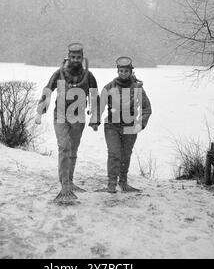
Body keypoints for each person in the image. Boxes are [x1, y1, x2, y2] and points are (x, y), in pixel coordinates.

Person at [35, 43, 100, 203]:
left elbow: (94, 97)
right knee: (64, 147)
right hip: (61, 116)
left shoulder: (89, 76)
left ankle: (70, 182)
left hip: (78, 118)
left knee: (73, 150)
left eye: (78, 57)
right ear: (68, 57)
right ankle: (64, 187)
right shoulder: (59, 73)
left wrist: (95, 118)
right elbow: (47, 90)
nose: (75, 60)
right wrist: (40, 111)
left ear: (82, 57)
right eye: (73, 57)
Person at [97, 56, 152, 193]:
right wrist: (95, 119)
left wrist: (141, 123)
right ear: (117, 71)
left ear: (130, 72)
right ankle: (111, 184)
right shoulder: (109, 87)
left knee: (126, 154)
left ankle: (123, 182)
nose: (123, 73)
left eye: (126, 71)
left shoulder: (137, 88)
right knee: (114, 153)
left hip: (130, 126)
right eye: (121, 71)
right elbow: (100, 106)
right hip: (112, 126)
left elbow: (147, 108)